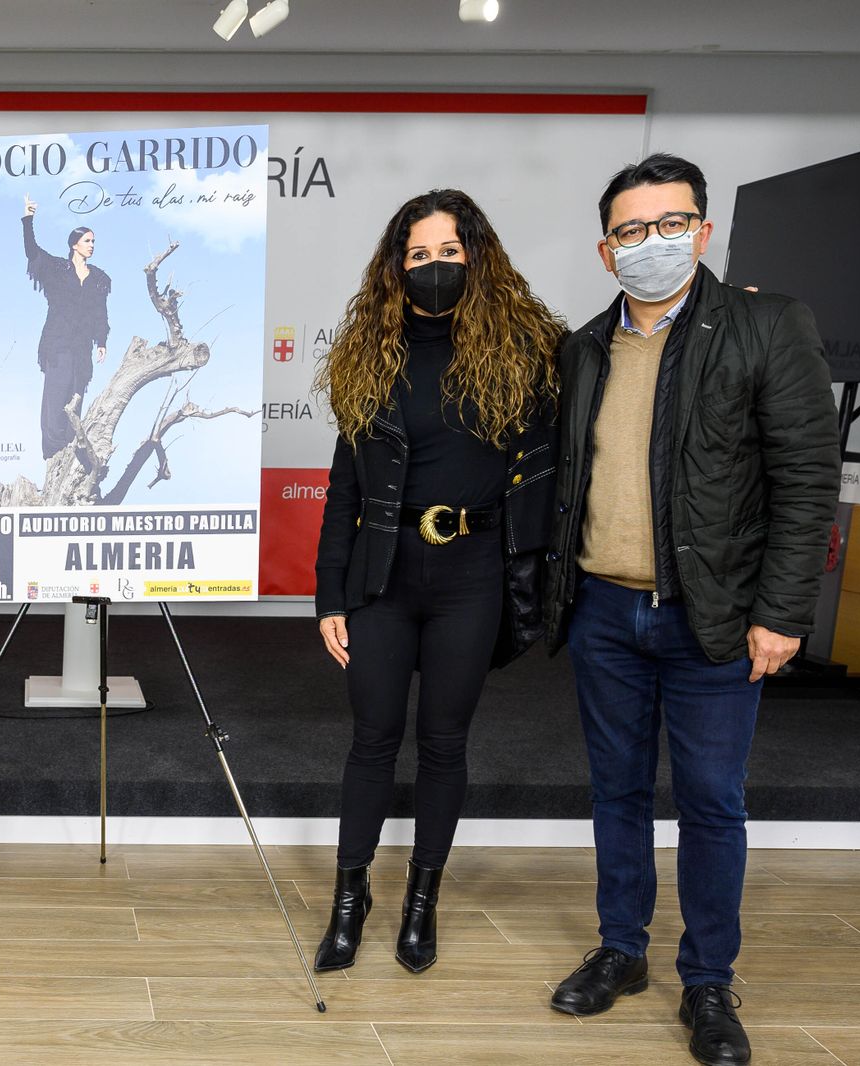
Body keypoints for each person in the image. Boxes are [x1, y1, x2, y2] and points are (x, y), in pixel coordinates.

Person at [542, 154, 839, 1066]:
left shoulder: (764, 325)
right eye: (632, 231)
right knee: (617, 792)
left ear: (702, 232)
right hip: (605, 611)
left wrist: (783, 612)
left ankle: (708, 980)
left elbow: (805, 479)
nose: (652, 243)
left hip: (714, 617)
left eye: (671, 224)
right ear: (606, 249)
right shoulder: (584, 348)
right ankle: (622, 951)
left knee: (712, 801)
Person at [311, 189, 565, 976]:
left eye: (448, 253)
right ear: (396, 268)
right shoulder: (367, 356)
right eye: (418, 256)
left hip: (473, 574)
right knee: (373, 739)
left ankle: (422, 903)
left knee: (445, 743)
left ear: (476, 259)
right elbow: (345, 490)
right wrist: (329, 595)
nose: (432, 269)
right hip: (382, 578)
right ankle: (350, 902)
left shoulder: (531, 354)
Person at [22, 197, 110, 459]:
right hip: (57, 343)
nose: (92, 245)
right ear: (74, 244)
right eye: (87, 241)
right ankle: (53, 453)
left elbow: (100, 313)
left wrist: (102, 341)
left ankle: (71, 451)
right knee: (55, 396)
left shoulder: (99, 279)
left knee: (75, 397)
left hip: (82, 347)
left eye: (94, 241)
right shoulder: (58, 269)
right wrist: (28, 220)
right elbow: (32, 252)